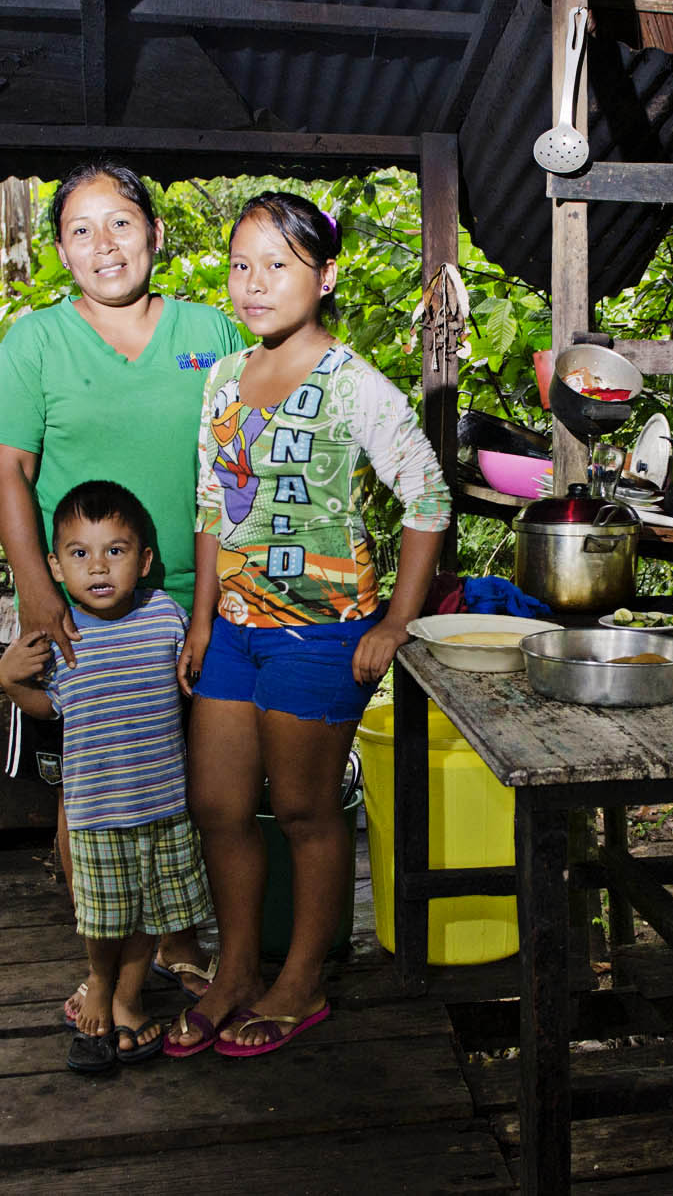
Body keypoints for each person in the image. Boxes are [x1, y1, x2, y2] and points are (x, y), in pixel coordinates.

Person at [165, 191, 450, 1058]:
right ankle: (237, 967)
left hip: (319, 633)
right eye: (241, 265)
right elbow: (212, 507)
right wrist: (204, 622)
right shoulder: (221, 380)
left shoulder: (353, 383)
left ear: (324, 277)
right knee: (217, 807)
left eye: (278, 265)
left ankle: (303, 977)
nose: (254, 284)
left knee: (302, 809)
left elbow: (427, 497)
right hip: (236, 634)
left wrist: (397, 622)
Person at [0, 161, 241, 1020]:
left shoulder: (214, 332)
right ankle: (102, 965)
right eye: (81, 230)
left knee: (199, 780)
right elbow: (7, 468)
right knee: (92, 786)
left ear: (155, 235)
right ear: (60, 250)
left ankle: (183, 942)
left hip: (206, 599)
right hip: (83, 610)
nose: (104, 245)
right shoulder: (36, 342)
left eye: (120, 223)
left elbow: (243, 462)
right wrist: (37, 590)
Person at [0, 480, 214, 1072]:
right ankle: (98, 979)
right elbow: (53, 709)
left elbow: (191, 681)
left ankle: (125, 997)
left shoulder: (166, 615)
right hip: (95, 813)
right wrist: (10, 682)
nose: (98, 567)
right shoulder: (62, 636)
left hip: (164, 805)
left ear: (143, 562)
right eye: (80, 553)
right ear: (54, 564)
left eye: (115, 551)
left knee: (148, 913)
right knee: (103, 916)